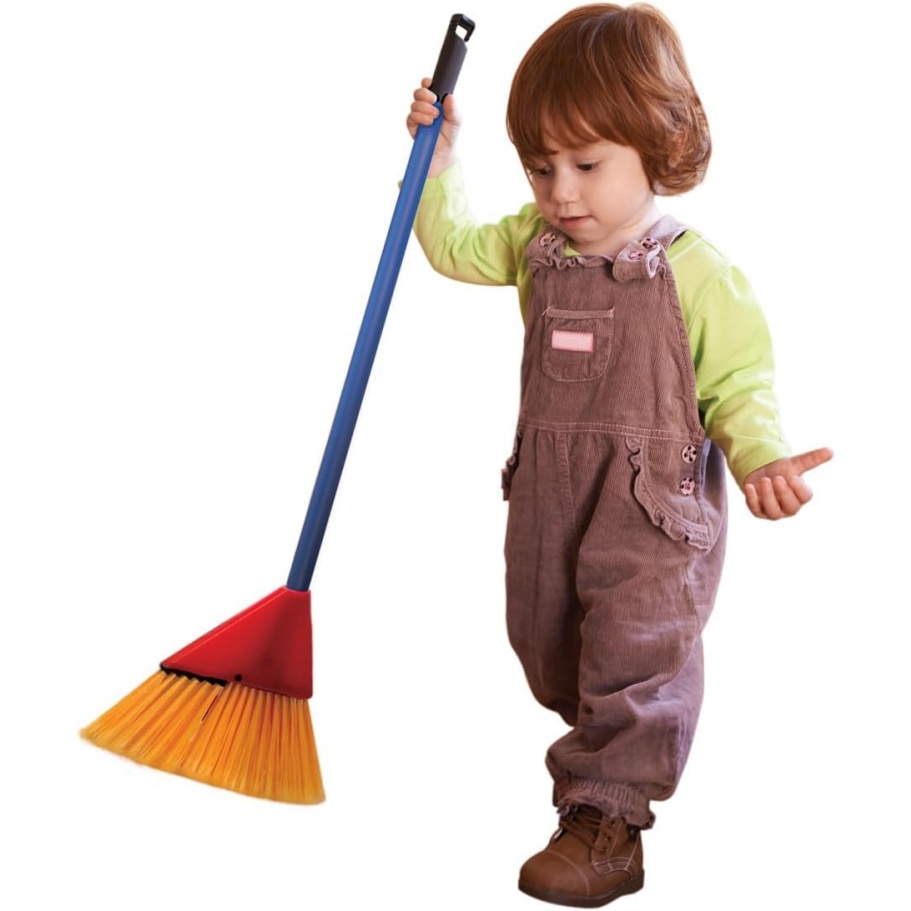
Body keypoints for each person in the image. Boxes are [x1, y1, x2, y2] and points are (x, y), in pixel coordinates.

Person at [406, 3, 832, 907]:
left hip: (649, 506)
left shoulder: (697, 271)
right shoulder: (532, 245)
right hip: (548, 495)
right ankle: (600, 753)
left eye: (587, 164)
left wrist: (761, 458)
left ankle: (607, 818)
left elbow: (739, 383)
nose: (561, 191)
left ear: (656, 144)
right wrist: (436, 163)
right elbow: (449, 248)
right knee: (548, 642)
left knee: (636, 650)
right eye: (540, 166)